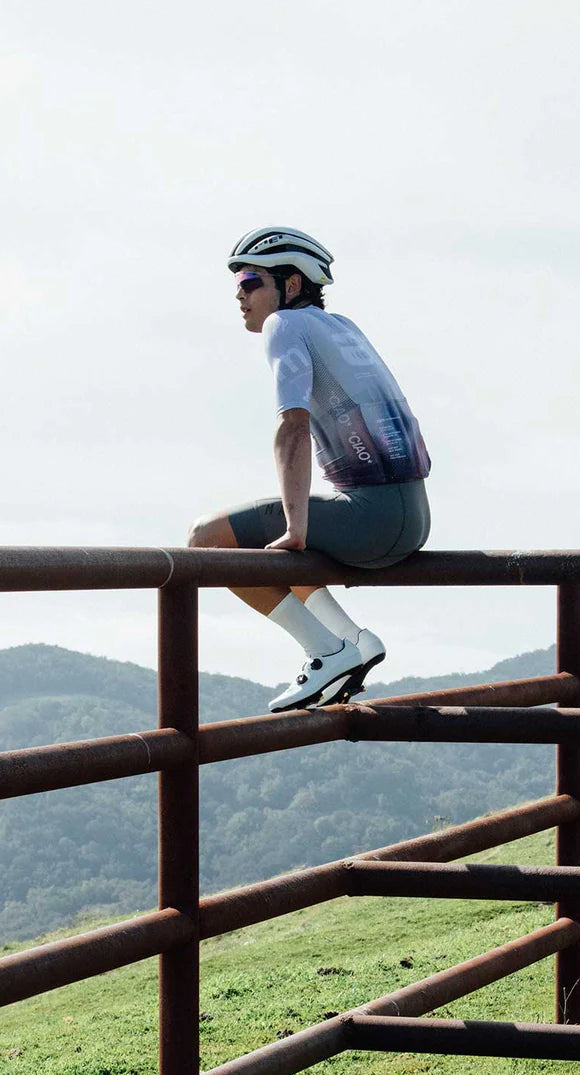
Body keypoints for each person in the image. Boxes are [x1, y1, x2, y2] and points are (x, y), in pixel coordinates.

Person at [189, 227, 431, 712]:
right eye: (238, 282)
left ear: (292, 285)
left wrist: (296, 529)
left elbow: (292, 427)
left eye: (251, 281)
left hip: (373, 520)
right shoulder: (343, 327)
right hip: (412, 517)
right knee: (277, 530)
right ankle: (351, 641)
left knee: (206, 540)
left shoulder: (285, 325)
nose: (239, 294)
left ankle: (326, 650)